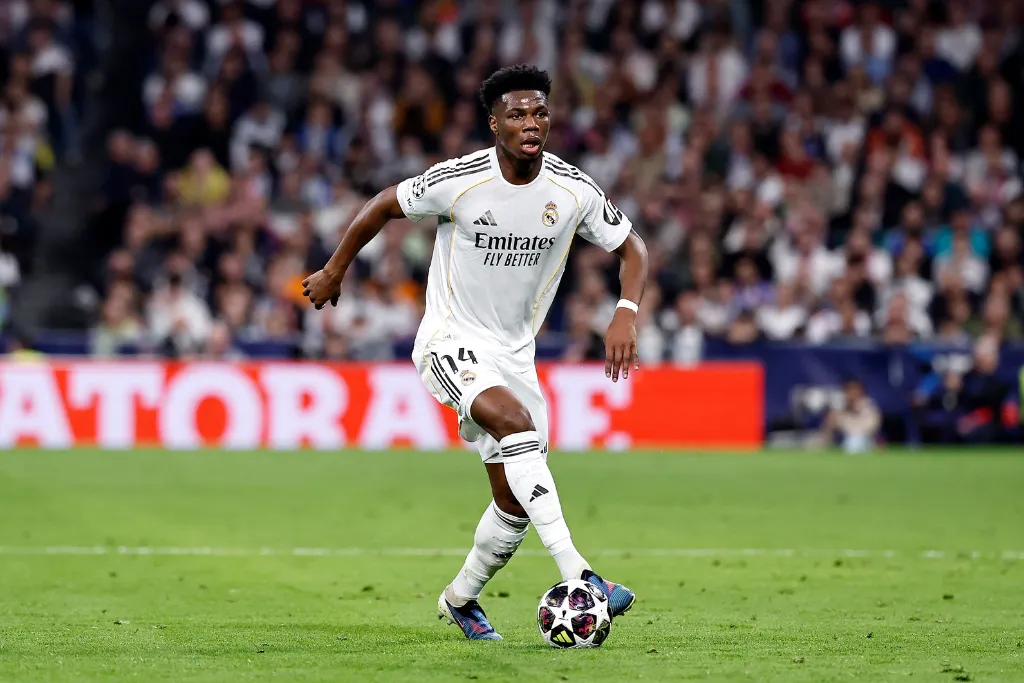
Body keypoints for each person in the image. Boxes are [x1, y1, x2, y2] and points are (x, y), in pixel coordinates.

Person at [302, 65, 647, 640]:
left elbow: (632, 249)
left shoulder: (572, 189)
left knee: (513, 505)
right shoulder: (460, 180)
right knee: (515, 428)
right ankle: (584, 576)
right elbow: (384, 204)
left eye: (539, 112)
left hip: (515, 353)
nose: (530, 123)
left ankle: (461, 598)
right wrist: (335, 270)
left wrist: (625, 312)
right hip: (450, 340)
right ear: (495, 124)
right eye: (517, 115)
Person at [821, 378, 881, 454]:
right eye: (849, 390)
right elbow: (829, 430)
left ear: (861, 391)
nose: (852, 393)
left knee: (854, 441)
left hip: (864, 440)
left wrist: (856, 411)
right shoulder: (839, 406)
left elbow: (873, 428)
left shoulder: (868, 405)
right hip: (844, 440)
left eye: (855, 390)